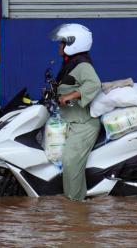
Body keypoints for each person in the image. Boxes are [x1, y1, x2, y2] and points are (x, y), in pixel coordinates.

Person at [49, 23, 102, 201]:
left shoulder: (82, 65)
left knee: (70, 161)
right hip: (71, 122)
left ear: (74, 44)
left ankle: (75, 206)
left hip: (83, 124)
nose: (59, 46)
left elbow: (94, 84)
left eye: (62, 42)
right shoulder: (70, 64)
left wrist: (69, 96)